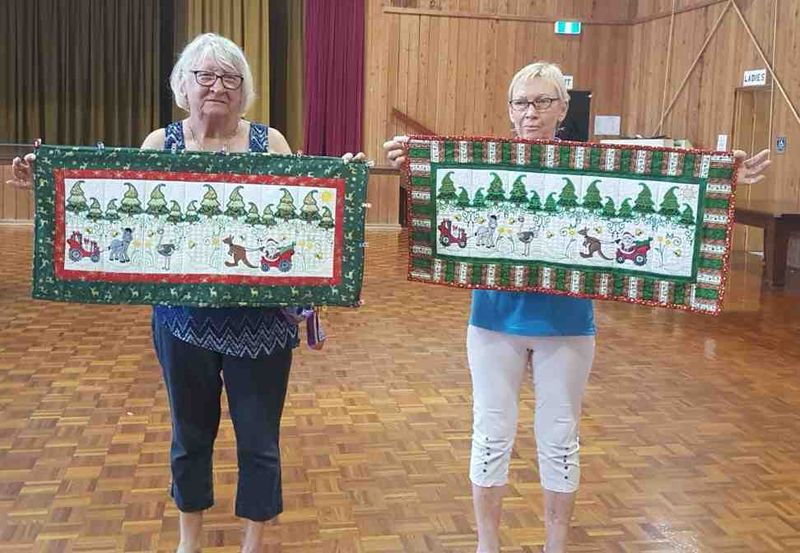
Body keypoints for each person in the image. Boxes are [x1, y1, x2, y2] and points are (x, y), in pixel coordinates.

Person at [383, 62, 771, 553]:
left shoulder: (589, 166)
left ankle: (555, 546)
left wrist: (721, 174)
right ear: (508, 110)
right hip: (493, 321)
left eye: (544, 101)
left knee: (560, 440)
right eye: (521, 102)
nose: (531, 112)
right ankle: (486, 546)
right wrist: (411, 164)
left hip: (566, 325)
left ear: (563, 108)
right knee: (490, 435)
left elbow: (652, 176)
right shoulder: (484, 163)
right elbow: (441, 210)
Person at [10, 32, 363, 553]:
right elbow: (115, 210)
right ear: (182, 86)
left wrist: (344, 189)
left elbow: (301, 222)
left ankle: (252, 543)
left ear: (244, 91)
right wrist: (44, 184)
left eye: (230, 78)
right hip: (182, 323)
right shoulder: (161, 144)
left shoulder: (273, 144)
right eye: (205, 76)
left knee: (259, 441)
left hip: (261, 326)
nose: (217, 86)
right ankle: (188, 541)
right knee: (189, 436)